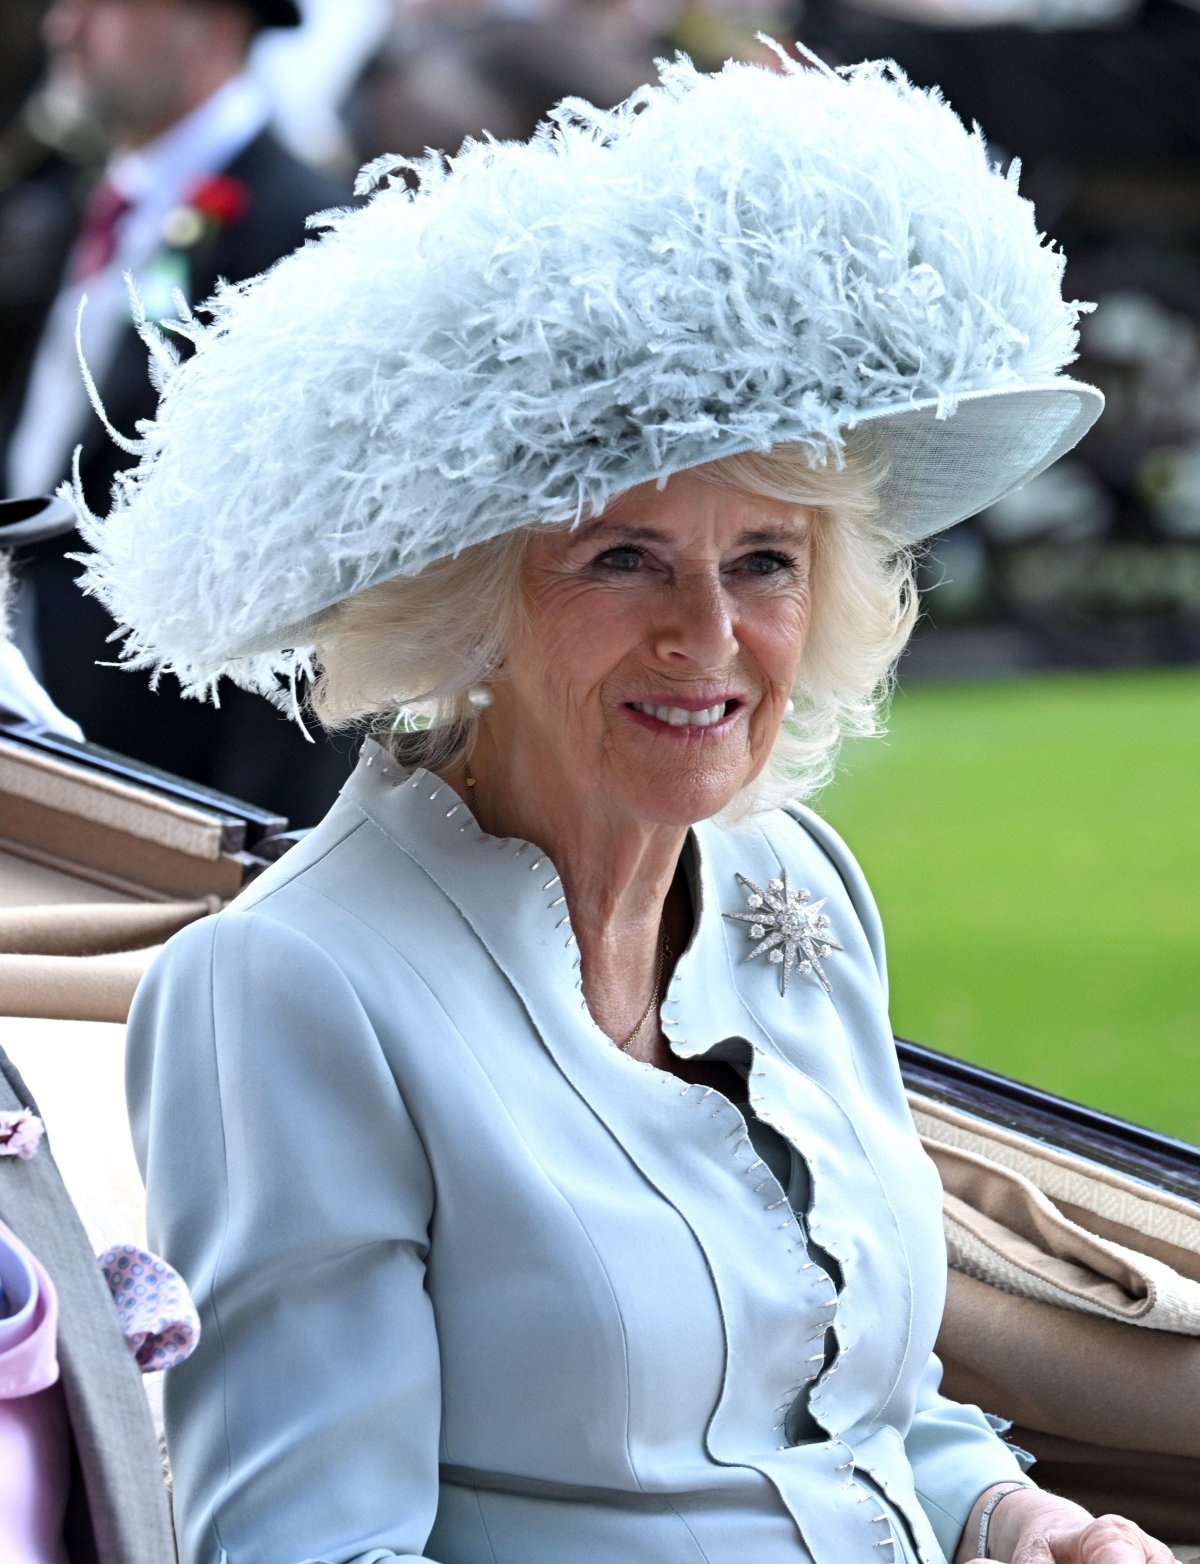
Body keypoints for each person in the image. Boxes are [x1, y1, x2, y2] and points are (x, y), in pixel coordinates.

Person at [72, 44, 1176, 1564]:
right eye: (624, 559)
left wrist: (1011, 1520)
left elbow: (849, 1403)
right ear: (473, 603)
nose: (709, 639)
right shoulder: (290, 990)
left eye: (765, 561)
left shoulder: (794, 881)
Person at [1, 0, 354, 826]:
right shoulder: (94, 189)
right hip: (33, 702)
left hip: (150, 772)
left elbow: (304, 578)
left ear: (214, 25)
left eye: (105, 4)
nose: (65, 27)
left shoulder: (297, 229)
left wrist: (244, 848)